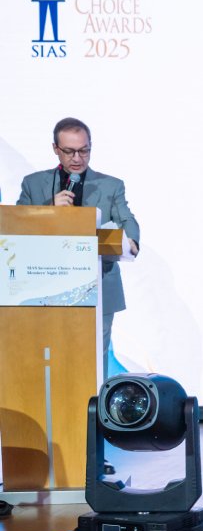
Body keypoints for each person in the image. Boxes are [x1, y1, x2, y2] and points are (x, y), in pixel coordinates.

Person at [17, 117, 140, 366]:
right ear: (55, 149)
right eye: (69, 151)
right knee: (51, 358)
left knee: (94, 361)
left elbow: (127, 219)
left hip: (99, 286)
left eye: (84, 150)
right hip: (46, 286)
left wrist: (132, 240)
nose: (77, 158)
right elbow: (16, 225)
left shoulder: (111, 185)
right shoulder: (33, 184)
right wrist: (49, 210)